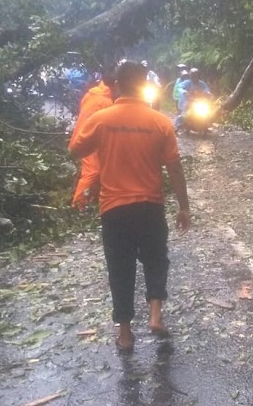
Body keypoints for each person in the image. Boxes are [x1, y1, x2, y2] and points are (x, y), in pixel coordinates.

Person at [68, 60, 191, 351]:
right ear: (143, 86)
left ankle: (125, 334)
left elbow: (75, 150)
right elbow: (175, 168)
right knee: (156, 259)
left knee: (120, 269)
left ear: (118, 86)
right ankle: (155, 315)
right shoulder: (160, 122)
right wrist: (184, 207)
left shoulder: (101, 119)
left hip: (114, 209)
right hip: (150, 205)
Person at [69, 68, 116, 210]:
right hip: (88, 140)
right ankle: (78, 206)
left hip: (82, 137)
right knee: (92, 172)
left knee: (99, 170)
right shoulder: (106, 102)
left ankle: (93, 200)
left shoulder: (91, 94)